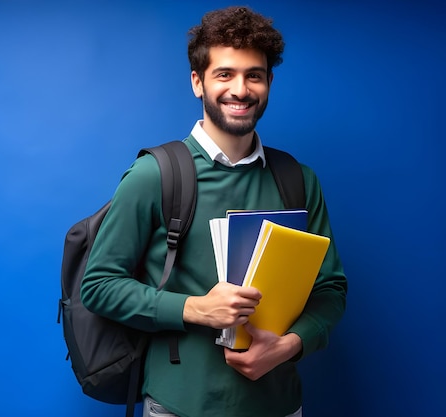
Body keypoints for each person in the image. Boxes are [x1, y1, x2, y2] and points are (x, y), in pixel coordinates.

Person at [81, 6, 347, 417]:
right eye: (224, 73)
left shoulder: (298, 179)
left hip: (279, 406)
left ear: (269, 82)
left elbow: (330, 290)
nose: (240, 89)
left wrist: (291, 345)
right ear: (197, 82)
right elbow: (98, 285)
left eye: (253, 75)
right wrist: (195, 309)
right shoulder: (156, 174)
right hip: (178, 406)